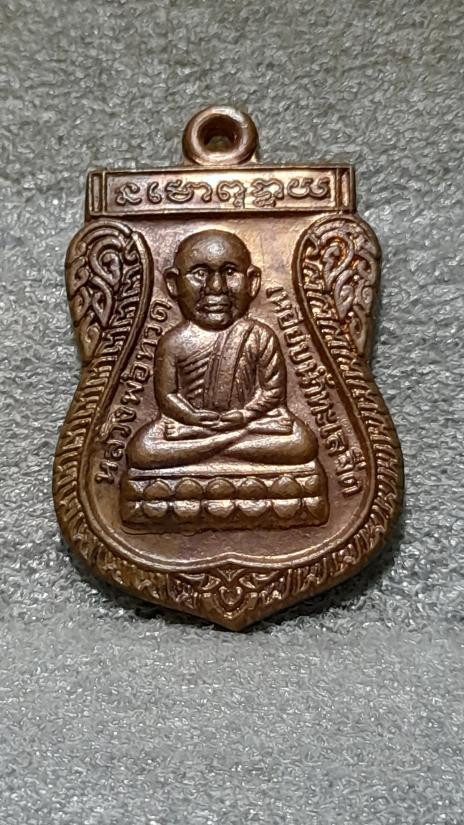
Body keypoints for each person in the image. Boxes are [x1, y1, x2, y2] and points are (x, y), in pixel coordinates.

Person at [127, 229, 318, 470]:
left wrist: (245, 415)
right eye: (200, 273)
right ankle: (225, 444)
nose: (216, 287)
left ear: (252, 282)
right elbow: (168, 397)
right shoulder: (173, 342)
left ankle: (214, 446)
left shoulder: (260, 335)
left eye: (229, 272)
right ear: (173, 283)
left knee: (301, 442)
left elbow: (272, 392)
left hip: (249, 425)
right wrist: (192, 417)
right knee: (142, 449)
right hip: (193, 426)